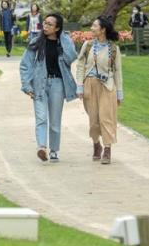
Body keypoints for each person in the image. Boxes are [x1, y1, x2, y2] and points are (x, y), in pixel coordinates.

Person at [19, 13, 78, 162]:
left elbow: (71, 57)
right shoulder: (36, 42)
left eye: (50, 24)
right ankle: (41, 147)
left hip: (57, 84)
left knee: (54, 121)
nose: (45, 26)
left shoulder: (64, 42)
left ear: (57, 28)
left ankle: (54, 150)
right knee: (41, 118)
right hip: (39, 85)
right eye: (44, 23)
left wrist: (63, 39)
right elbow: (25, 65)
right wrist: (27, 85)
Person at [74, 15, 124, 164]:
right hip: (90, 85)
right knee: (94, 119)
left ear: (102, 30)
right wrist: (80, 86)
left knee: (106, 118)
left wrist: (119, 92)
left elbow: (118, 72)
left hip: (108, 86)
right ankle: (96, 145)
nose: (91, 28)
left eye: (94, 26)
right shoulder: (88, 45)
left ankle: (107, 149)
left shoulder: (114, 49)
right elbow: (80, 66)